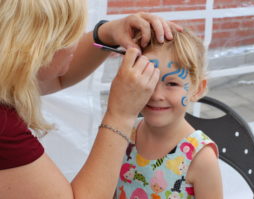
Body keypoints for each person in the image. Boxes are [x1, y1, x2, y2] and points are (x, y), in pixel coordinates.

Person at [0, 0, 183, 198]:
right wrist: (120, 114)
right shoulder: (4, 128)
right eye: (70, 36)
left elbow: (57, 77)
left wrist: (105, 34)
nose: (77, 43)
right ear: (38, 49)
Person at [115, 29, 223, 199]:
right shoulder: (125, 132)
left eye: (172, 83)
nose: (157, 95)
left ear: (197, 89)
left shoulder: (201, 158)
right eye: (149, 79)